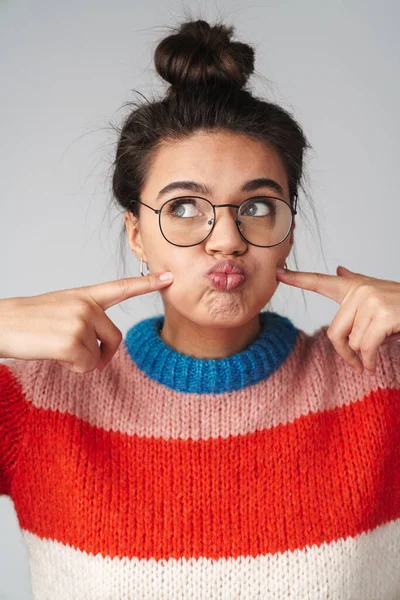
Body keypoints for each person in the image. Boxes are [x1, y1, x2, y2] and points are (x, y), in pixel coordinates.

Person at [1, 16, 400, 600]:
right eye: (185, 206)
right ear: (136, 233)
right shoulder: (37, 400)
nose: (226, 240)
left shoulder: (380, 382)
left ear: (289, 228)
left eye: (258, 206)